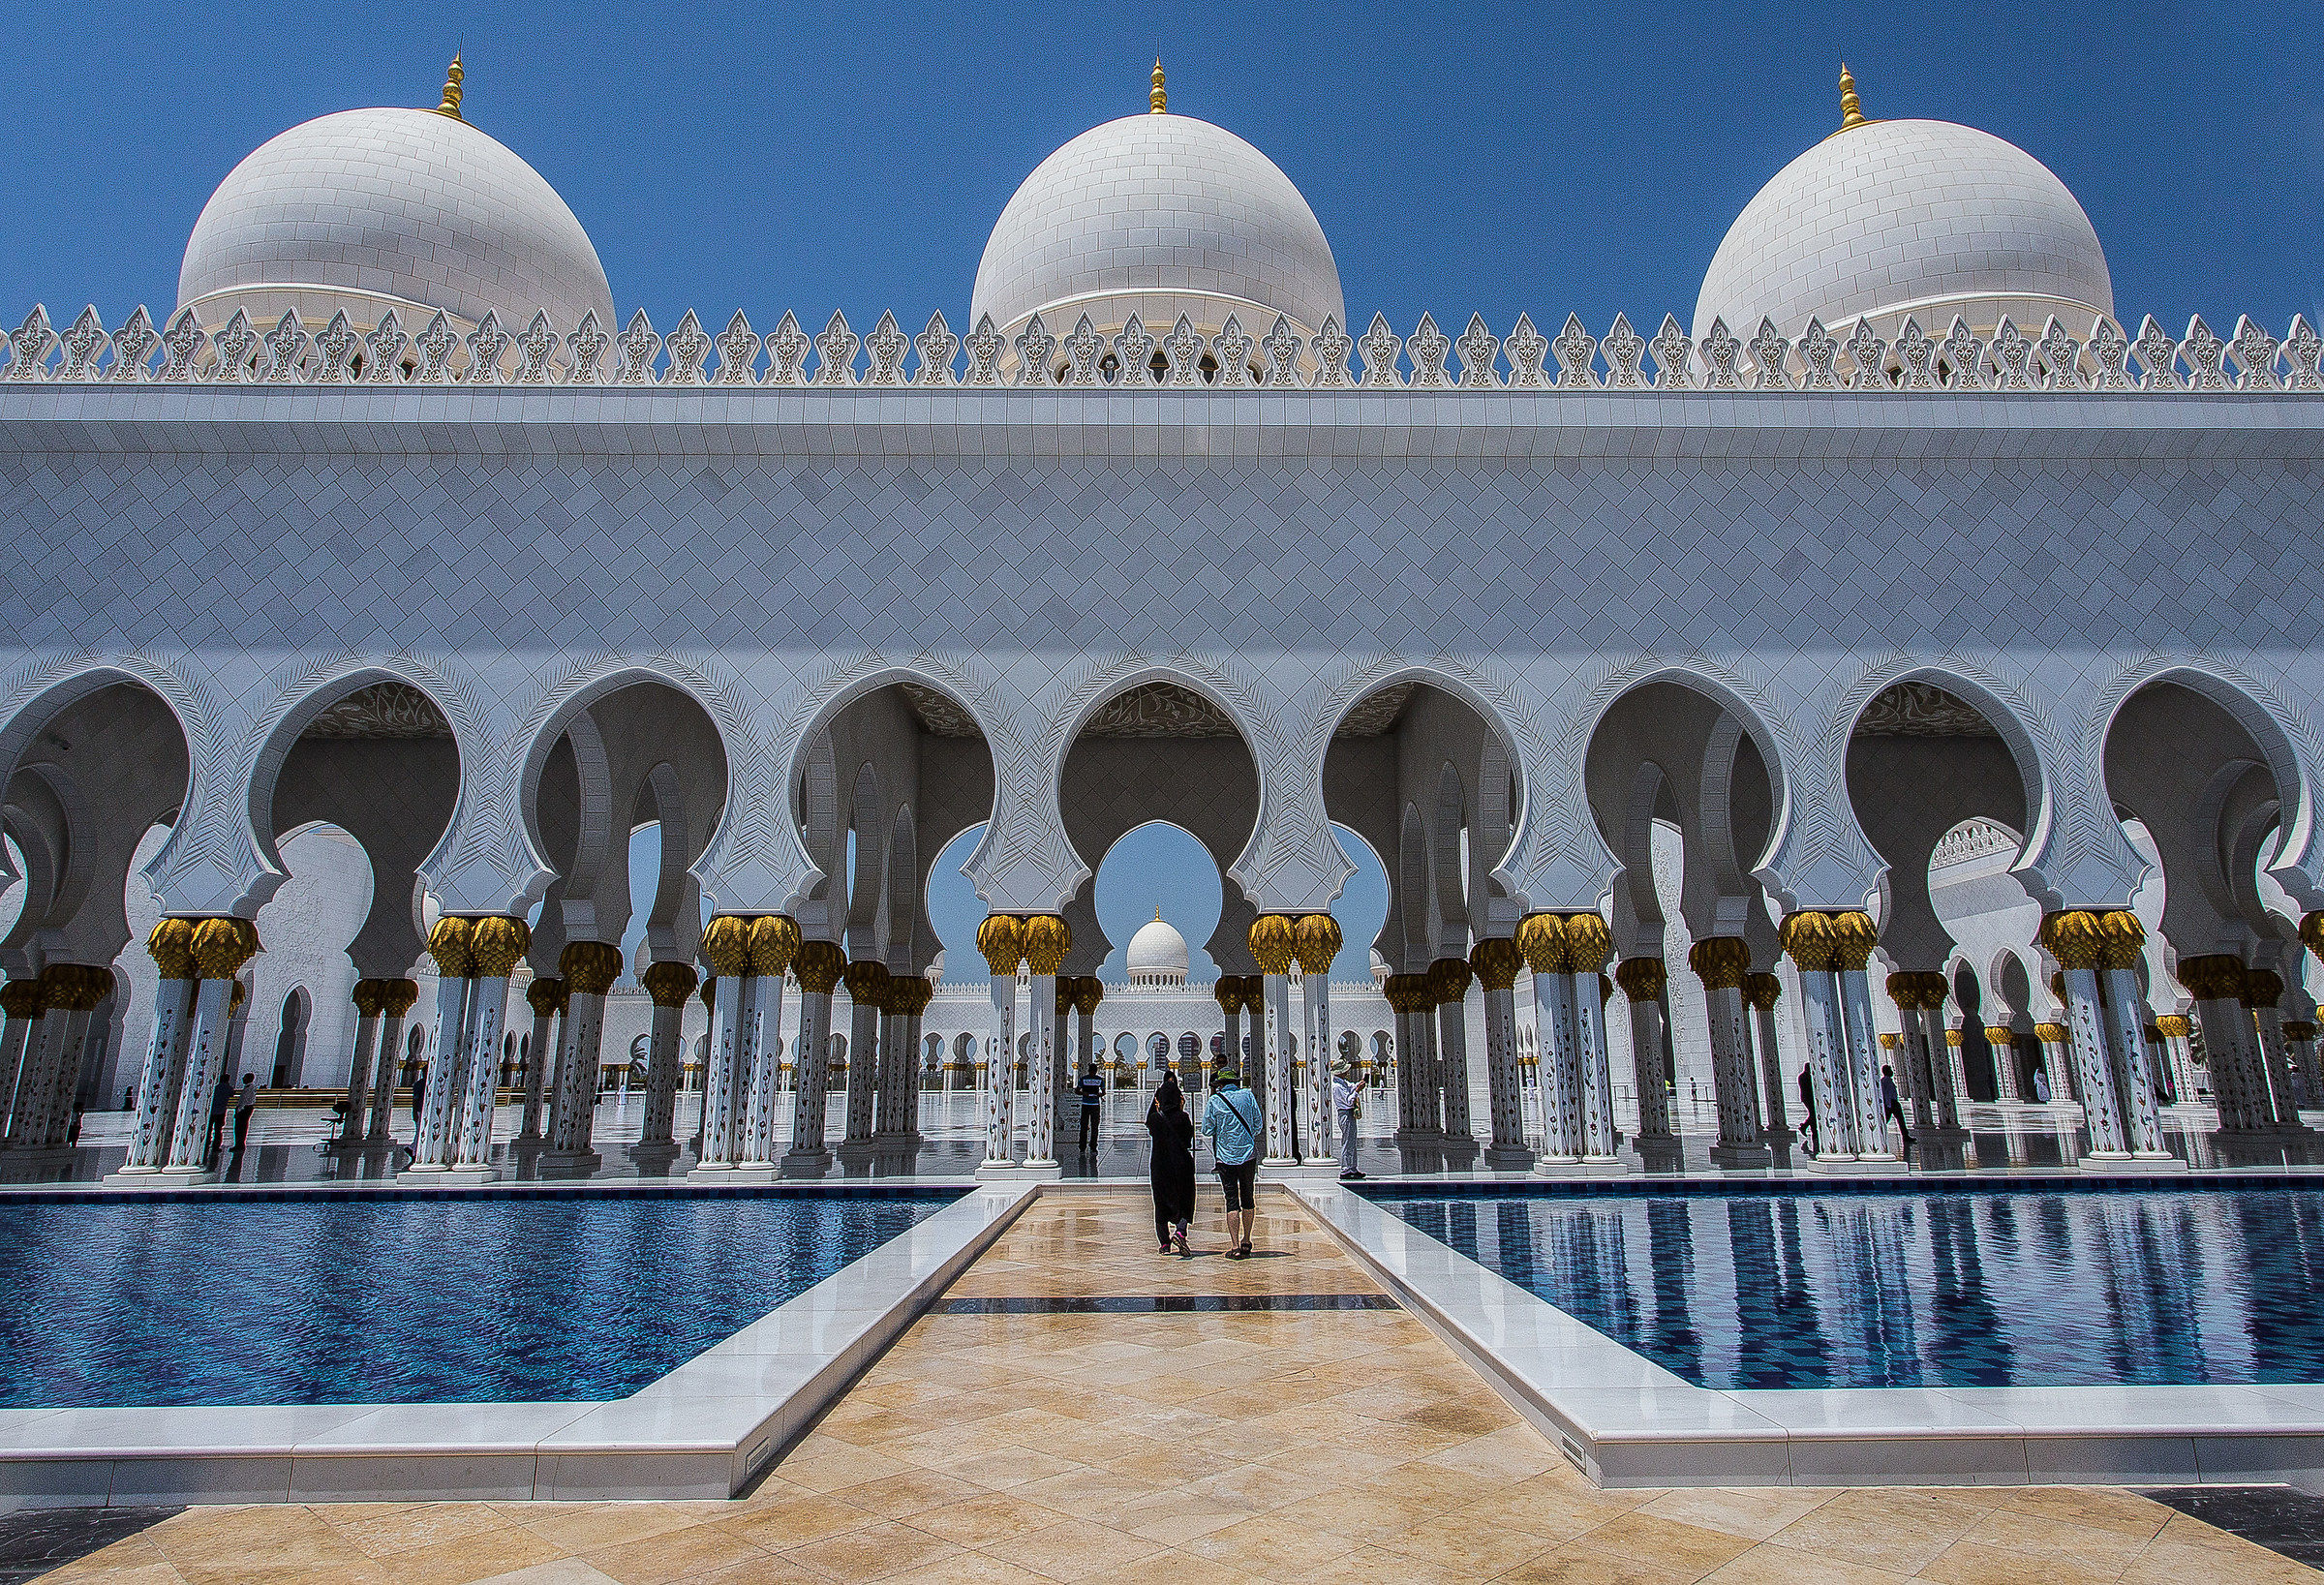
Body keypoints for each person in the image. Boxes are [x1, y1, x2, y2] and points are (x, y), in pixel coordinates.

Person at [1201, 1065, 1262, 1259]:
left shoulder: (1214, 1101)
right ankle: (1246, 1240)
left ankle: (1234, 1246)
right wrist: (1245, 1137)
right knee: (1248, 1197)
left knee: (1231, 1200)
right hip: (1247, 1156)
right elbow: (1258, 1124)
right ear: (1235, 1082)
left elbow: (1206, 1129)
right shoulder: (1248, 1096)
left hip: (1225, 1158)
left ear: (1219, 1084)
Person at [1146, 1072, 1196, 1255]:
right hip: (1181, 1165)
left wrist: (1157, 1103)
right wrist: (1181, 1108)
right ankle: (1181, 1232)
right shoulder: (1183, 1118)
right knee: (1185, 1199)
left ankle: (1165, 1244)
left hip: (1159, 1166)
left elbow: (1149, 1119)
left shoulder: (1154, 1119)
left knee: (1160, 1202)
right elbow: (1189, 1139)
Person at [1331, 1059, 1364, 1180]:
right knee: (1347, 1142)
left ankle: (1352, 1168)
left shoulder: (1343, 1082)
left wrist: (1358, 1085)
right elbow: (1349, 1101)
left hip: (1349, 1114)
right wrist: (1357, 1091)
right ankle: (1345, 1169)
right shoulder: (1337, 1086)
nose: (1347, 1072)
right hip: (1345, 1114)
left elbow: (1351, 1086)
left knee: (1352, 1142)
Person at [1879, 1063, 1912, 1152]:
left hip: (1893, 1103)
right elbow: (1886, 1094)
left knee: (1900, 1120)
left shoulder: (1887, 1080)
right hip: (1891, 1104)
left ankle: (1905, 1136)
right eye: (1890, 1070)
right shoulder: (1885, 1081)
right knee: (1887, 1119)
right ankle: (1877, 1133)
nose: (1892, 1071)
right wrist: (1888, 1105)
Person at [1076, 1063, 1105, 1154]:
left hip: (1090, 1104)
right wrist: (1085, 1094)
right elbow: (1103, 1092)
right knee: (1090, 1126)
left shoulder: (1085, 1079)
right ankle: (1088, 1147)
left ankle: (1087, 1147)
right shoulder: (1098, 1079)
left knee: (1089, 1126)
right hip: (1091, 1104)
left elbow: (1077, 1091)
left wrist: (1085, 1093)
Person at [205, 1071, 232, 1164]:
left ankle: (206, 1143)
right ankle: (216, 1146)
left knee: (209, 1129)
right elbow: (232, 1093)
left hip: (212, 1111)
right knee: (218, 1129)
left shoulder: (216, 1087)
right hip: (220, 1111)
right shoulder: (227, 1088)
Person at [232, 1073, 259, 1153]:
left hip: (245, 1109)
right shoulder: (251, 1087)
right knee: (242, 1127)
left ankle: (239, 1144)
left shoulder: (249, 1088)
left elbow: (244, 1100)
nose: (243, 1079)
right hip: (248, 1108)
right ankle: (239, 1144)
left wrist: (238, 1110)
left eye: (244, 1077)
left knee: (240, 1127)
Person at [1795, 1066, 1819, 1156]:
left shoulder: (1802, 1076)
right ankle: (1806, 1127)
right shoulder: (1807, 1076)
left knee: (1813, 1114)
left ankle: (1811, 1129)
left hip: (1806, 1098)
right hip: (1809, 1098)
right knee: (1813, 1114)